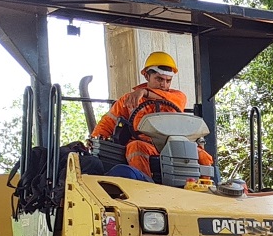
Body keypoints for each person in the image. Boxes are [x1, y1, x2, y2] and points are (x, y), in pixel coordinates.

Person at [89, 52, 213, 181]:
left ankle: (205, 190)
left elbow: (171, 101)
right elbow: (109, 121)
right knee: (135, 147)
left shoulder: (178, 96)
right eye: (159, 79)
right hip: (147, 145)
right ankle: (146, 186)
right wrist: (94, 140)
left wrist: (144, 92)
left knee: (204, 156)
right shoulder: (129, 100)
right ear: (147, 76)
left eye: (168, 81)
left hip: (175, 144)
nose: (163, 84)